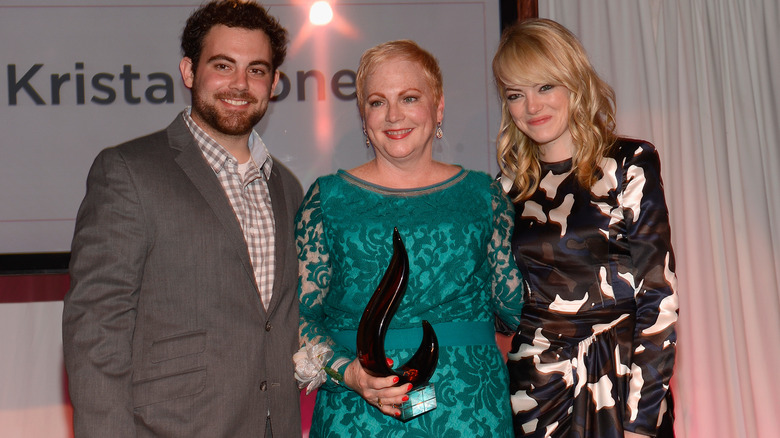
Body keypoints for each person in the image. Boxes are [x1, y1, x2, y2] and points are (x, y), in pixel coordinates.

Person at [62, 1, 302, 436]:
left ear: (275, 82)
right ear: (189, 72)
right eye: (224, 65)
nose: (240, 84)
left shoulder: (287, 187)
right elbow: (97, 331)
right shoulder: (129, 171)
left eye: (257, 70)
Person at [295, 40, 524, 437]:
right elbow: (298, 316)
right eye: (377, 102)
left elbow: (514, 307)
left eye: (409, 98)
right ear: (362, 116)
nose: (393, 115)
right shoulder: (327, 198)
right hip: (357, 414)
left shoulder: (483, 196)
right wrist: (347, 373)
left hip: (468, 412)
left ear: (438, 108)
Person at [492, 19, 679, 438]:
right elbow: (502, 309)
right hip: (535, 391)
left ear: (574, 83)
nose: (531, 107)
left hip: (621, 385)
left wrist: (641, 421)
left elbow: (658, 298)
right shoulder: (506, 190)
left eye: (545, 87)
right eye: (515, 95)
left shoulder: (628, 163)